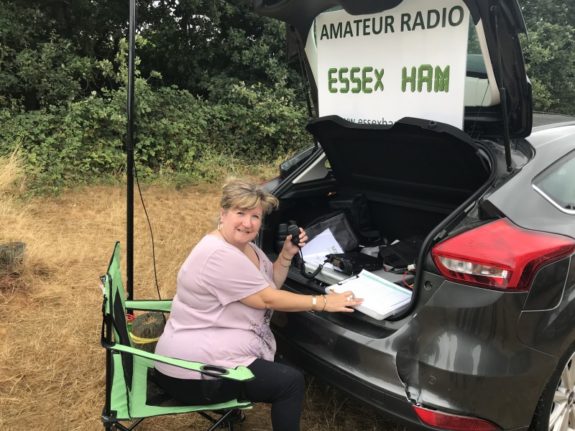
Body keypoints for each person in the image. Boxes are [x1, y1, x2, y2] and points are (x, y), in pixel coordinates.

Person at [154, 178, 363, 431]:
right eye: (240, 213)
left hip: (210, 349)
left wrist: (286, 255)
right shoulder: (218, 255)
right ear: (223, 213)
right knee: (290, 382)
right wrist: (323, 301)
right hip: (192, 370)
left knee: (286, 369)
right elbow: (267, 298)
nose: (247, 222)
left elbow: (269, 283)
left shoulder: (245, 247)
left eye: (255, 216)